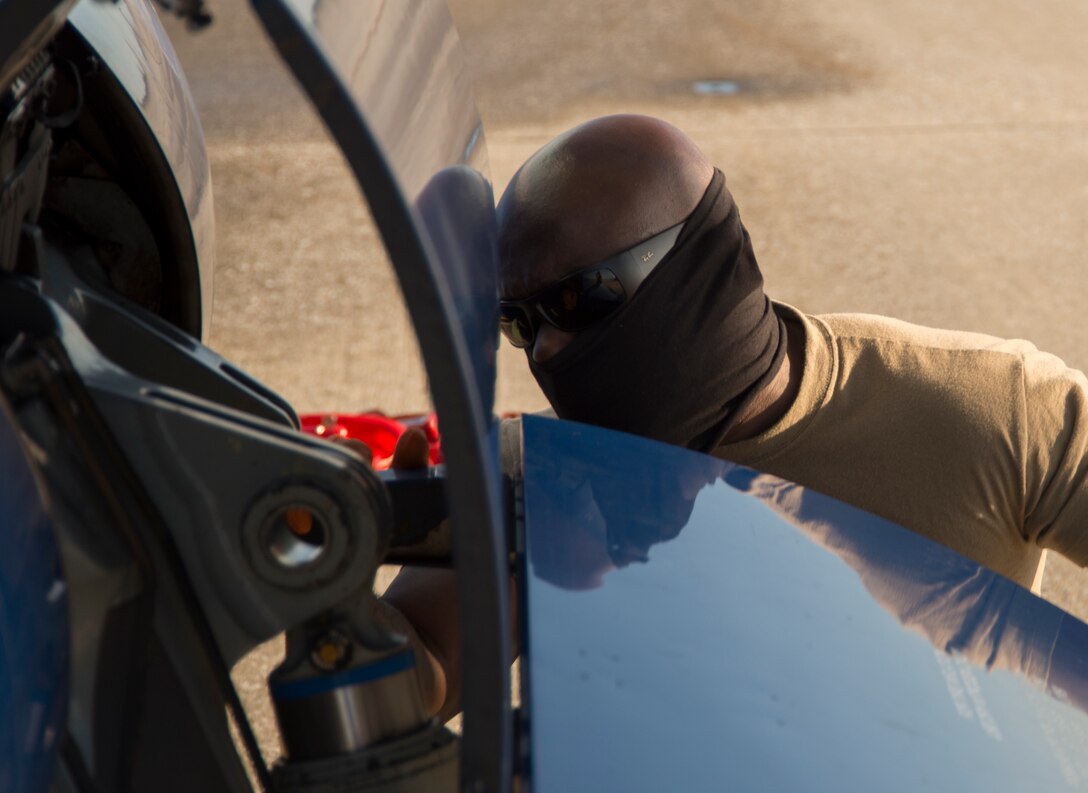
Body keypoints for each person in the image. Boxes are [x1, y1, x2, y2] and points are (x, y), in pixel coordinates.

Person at [381, 113, 1088, 719]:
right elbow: (417, 672)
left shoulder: (995, 407)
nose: (548, 348)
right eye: (519, 322)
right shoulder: (550, 480)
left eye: (577, 301)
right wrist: (346, 564)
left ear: (694, 265)